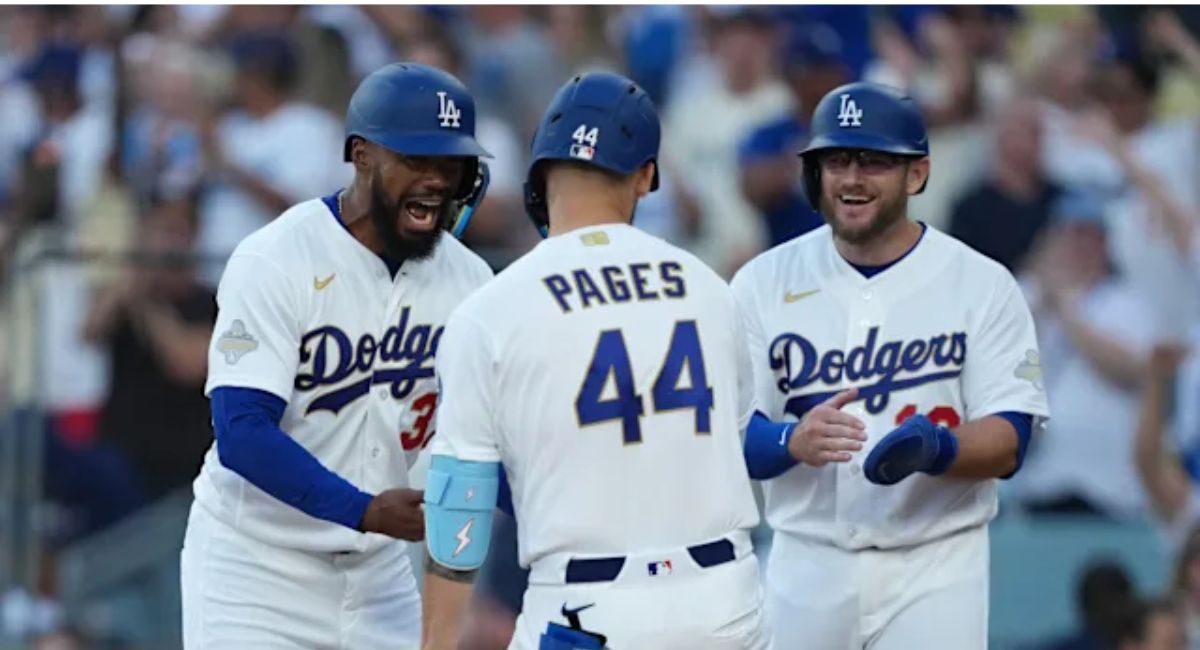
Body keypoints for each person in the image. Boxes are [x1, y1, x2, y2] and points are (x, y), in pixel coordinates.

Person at [419, 72, 768, 650]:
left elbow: (461, 506)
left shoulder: (491, 309)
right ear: (646, 176)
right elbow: (739, 441)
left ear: (541, 171)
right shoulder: (710, 288)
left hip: (586, 609)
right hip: (723, 602)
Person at [179, 62, 494, 650]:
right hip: (256, 570)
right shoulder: (276, 257)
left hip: (381, 579)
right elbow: (242, 429)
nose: (435, 180)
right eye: (416, 160)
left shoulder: (471, 281)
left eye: (449, 164)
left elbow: (486, 437)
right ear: (362, 154)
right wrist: (365, 509)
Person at [732, 81, 1050, 649]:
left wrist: (939, 448)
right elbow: (730, 435)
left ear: (917, 174)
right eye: (837, 160)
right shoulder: (762, 282)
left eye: (875, 161)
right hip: (807, 561)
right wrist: (788, 440)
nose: (852, 178)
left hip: (935, 566)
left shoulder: (980, 283)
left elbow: (1011, 438)